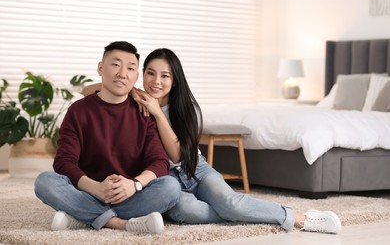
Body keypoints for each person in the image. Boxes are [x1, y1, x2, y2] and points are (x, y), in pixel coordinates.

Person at [84, 48, 342, 234]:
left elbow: (178, 157)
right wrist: (122, 85)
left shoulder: (186, 108)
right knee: (184, 212)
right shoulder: (133, 98)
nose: (156, 81)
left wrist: (156, 113)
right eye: (150, 73)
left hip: (195, 170)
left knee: (228, 202)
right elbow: (88, 91)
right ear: (142, 75)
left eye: (165, 76)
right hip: (167, 180)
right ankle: (244, 212)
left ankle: (299, 218)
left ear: (175, 80)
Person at [34, 41, 181, 235]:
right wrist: (96, 188)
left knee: (170, 187)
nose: (122, 73)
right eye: (115, 64)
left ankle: (81, 217)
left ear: (136, 76)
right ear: (101, 68)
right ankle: (119, 223)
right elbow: (63, 162)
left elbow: (160, 162)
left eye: (130, 68)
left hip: (129, 194)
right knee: (44, 182)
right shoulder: (78, 111)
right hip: (87, 191)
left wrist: (134, 185)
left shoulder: (144, 111)